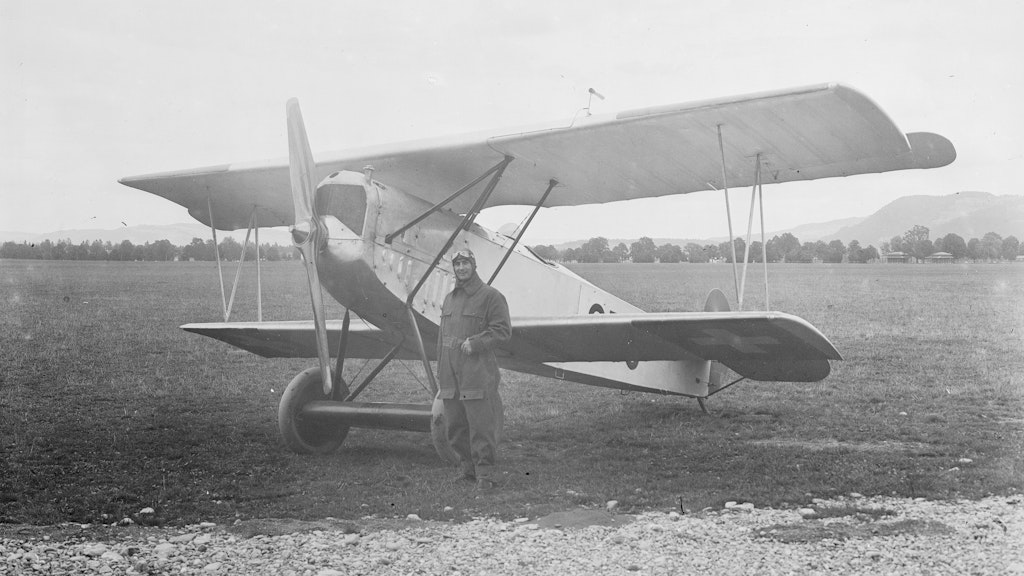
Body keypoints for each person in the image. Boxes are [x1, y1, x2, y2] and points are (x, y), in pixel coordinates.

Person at [436, 248, 511, 491]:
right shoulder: (449, 299)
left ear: (474, 265)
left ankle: (485, 476)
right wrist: (441, 368)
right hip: (450, 371)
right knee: (455, 424)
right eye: (457, 264)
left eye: (465, 263)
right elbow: (442, 338)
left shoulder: (491, 296)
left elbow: (502, 331)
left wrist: (476, 343)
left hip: (477, 371)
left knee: (481, 425)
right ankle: (467, 470)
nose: (461, 268)